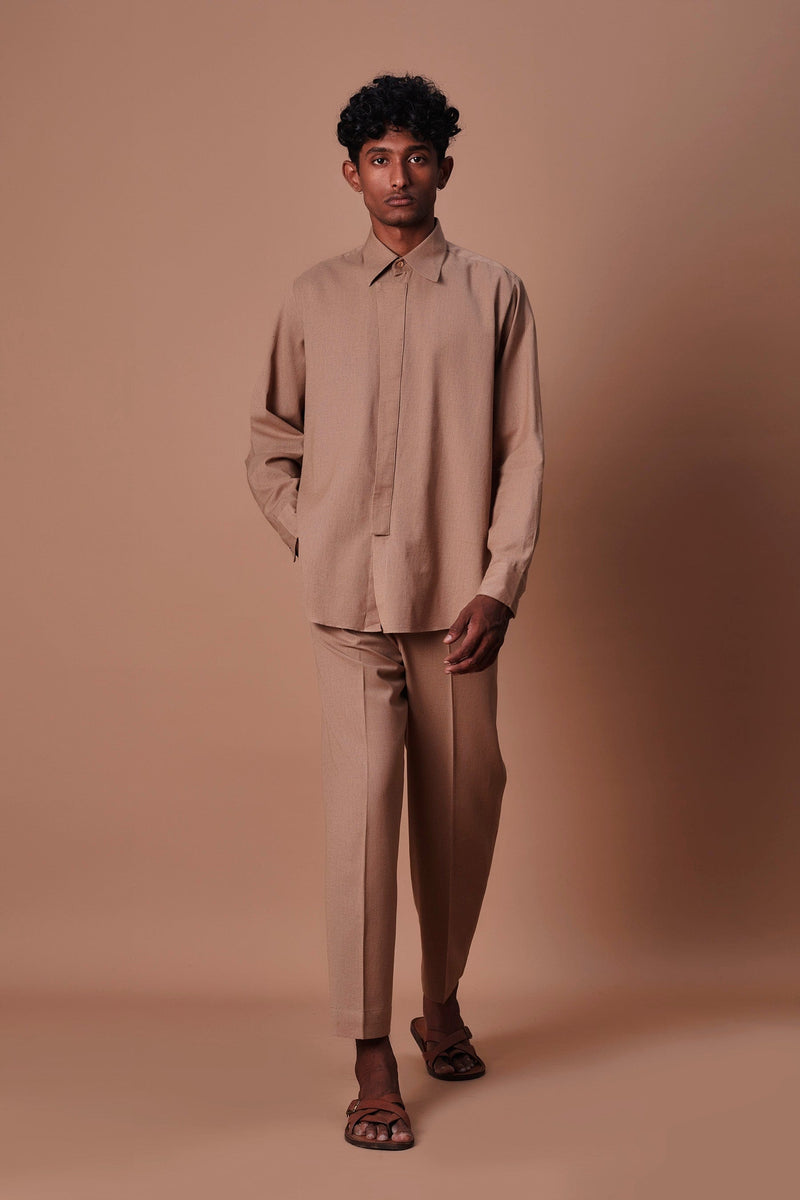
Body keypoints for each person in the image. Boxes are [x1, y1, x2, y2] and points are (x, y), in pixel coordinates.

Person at [245, 72, 544, 1150]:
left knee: (462, 814)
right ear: (351, 172)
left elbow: (523, 447)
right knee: (363, 822)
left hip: (457, 607)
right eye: (379, 158)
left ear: (444, 167)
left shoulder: (496, 293)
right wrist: (311, 529)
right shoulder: (312, 296)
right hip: (345, 606)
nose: (399, 175)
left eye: (417, 155)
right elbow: (270, 439)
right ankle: (372, 1051)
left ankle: (440, 1000)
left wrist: (500, 581)